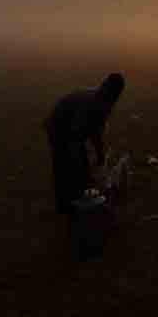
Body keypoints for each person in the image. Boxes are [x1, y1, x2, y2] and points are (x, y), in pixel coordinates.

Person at [44, 74, 125, 215]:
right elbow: (75, 137)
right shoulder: (94, 103)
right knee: (63, 165)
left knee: (78, 164)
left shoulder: (104, 101)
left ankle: (77, 196)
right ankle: (65, 205)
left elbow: (95, 130)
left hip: (72, 127)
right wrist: (82, 168)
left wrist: (100, 153)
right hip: (58, 126)